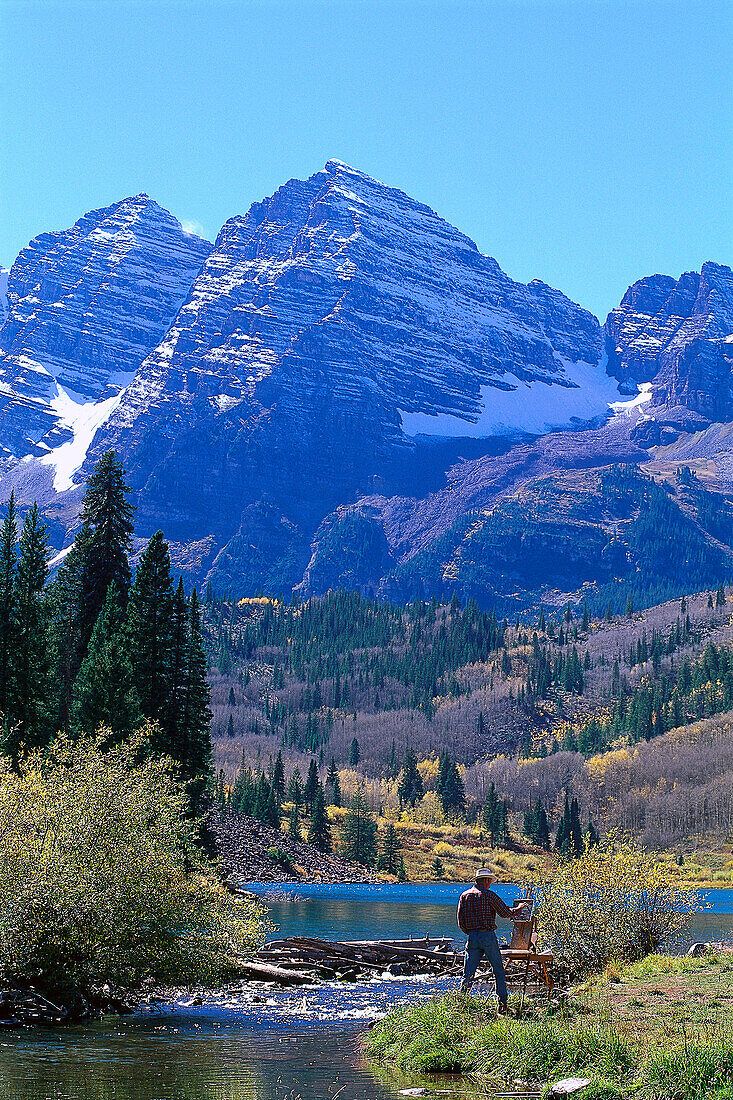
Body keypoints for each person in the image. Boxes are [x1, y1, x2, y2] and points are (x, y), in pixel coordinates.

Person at [456, 868, 525, 1010]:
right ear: (486, 880)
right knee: (498, 970)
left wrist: (470, 932)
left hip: (472, 937)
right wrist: (519, 908)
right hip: (487, 936)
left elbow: (460, 920)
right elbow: (506, 913)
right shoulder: (489, 895)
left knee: (468, 972)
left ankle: (462, 1005)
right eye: (490, 881)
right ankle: (503, 1004)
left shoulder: (465, 895)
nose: (490, 884)